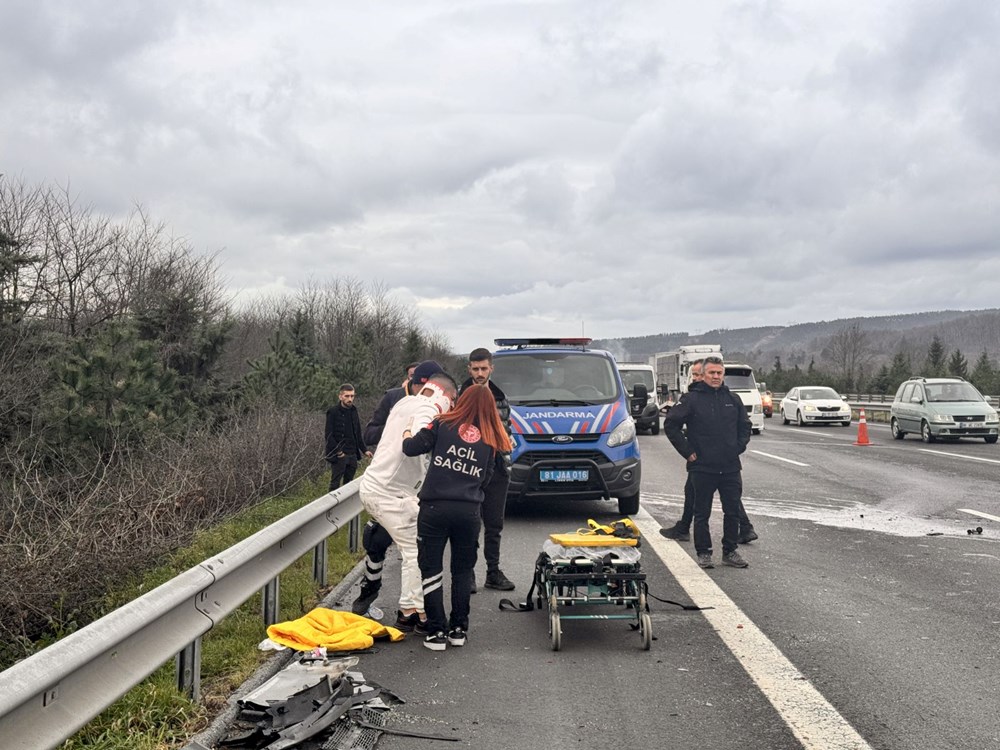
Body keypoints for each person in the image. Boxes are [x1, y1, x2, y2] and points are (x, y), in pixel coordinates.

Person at [402, 384, 512, 650]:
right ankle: (459, 630)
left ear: (461, 401)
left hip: (434, 508)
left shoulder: (442, 424)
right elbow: (487, 478)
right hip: (468, 511)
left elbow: (411, 447)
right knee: (463, 571)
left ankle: (436, 631)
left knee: (431, 568)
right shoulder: (491, 438)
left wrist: (407, 429)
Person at [356, 363, 458, 632]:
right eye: (452, 402)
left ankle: (411, 608)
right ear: (445, 395)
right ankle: (416, 613)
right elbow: (416, 443)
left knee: (412, 546)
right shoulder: (430, 409)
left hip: (381, 486)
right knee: (417, 550)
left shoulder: (403, 403)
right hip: (389, 493)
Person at [664, 355, 752, 569]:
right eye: (711, 373)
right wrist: (688, 452)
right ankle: (704, 553)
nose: (715, 376)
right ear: (702, 375)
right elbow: (671, 424)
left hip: (730, 467)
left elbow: (745, 426)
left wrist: (737, 447)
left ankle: (730, 551)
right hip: (702, 467)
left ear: (723, 375)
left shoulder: (733, 399)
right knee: (701, 513)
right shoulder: (691, 399)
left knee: (732, 512)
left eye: (719, 373)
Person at [325, 384, 372, 491]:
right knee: (335, 484)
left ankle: (344, 504)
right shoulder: (333, 412)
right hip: (339, 454)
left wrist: (364, 450)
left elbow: (357, 433)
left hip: (352, 453)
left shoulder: (354, 410)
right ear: (340, 396)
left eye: (352, 396)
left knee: (348, 484)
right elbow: (328, 435)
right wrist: (339, 452)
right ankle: (333, 507)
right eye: (347, 396)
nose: (350, 399)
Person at [363, 362, 420, 447]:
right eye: (412, 375)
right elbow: (368, 435)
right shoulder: (392, 396)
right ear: (407, 377)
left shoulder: (433, 401)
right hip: (391, 453)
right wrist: (390, 428)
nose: (416, 379)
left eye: (420, 376)